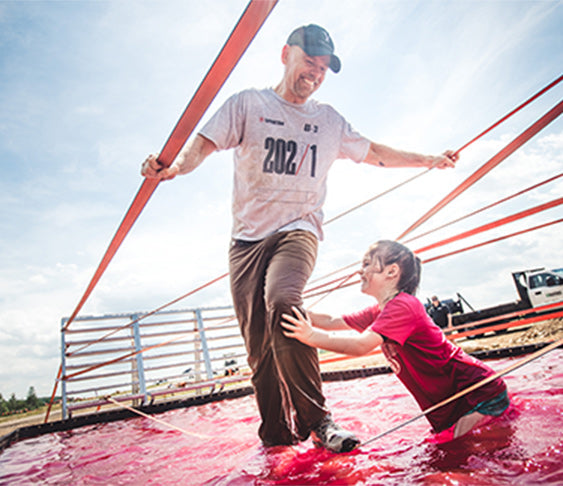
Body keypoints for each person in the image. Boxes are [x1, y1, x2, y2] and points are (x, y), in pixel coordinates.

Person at [141, 24, 457, 453]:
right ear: (285, 54)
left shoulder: (328, 121)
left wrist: (429, 159)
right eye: (310, 61)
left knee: (284, 299)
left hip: (298, 231)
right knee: (259, 346)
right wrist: (176, 167)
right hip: (246, 242)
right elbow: (204, 144)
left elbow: (375, 153)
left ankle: (319, 422)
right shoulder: (248, 104)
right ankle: (275, 434)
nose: (316, 73)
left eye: (323, 68)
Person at [282, 240, 509, 441]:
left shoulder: (403, 306)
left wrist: (310, 336)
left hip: (478, 393)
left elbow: (360, 346)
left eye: (367, 264)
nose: (360, 271)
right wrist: (289, 307)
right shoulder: (379, 310)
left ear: (391, 272)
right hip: (454, 403)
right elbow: (331, 321)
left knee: (459, 451)